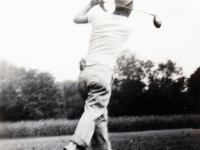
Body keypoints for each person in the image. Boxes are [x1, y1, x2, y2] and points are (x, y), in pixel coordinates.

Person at [63, 0, 134, 150]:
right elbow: (116, 16)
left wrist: (93, 4)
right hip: (102, 74)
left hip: (84, 74)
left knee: (99, 117)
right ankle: (74, 145)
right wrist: (101, 6)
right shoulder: (128, 26)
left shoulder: (99, 16)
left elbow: (76, 18)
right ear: (129, 7)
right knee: (94, 112)